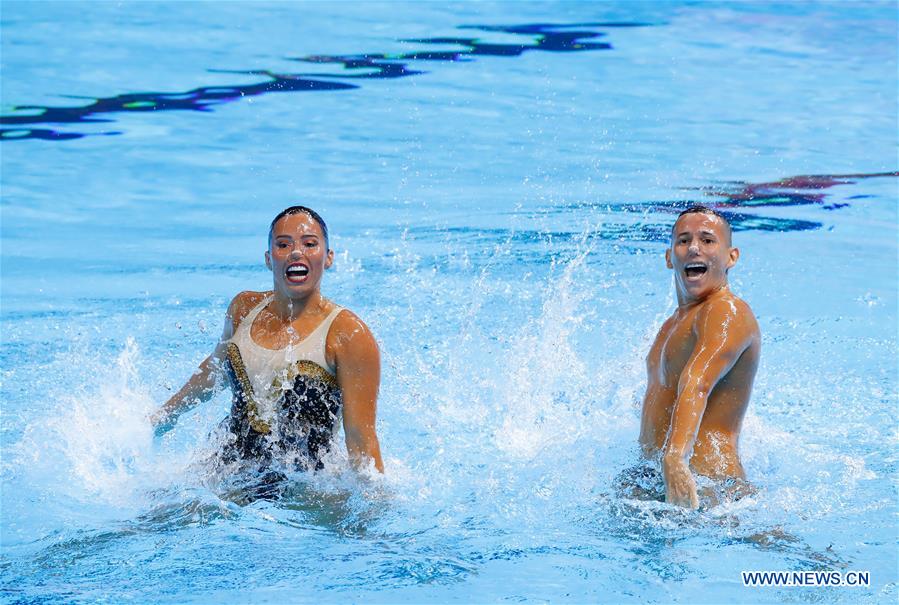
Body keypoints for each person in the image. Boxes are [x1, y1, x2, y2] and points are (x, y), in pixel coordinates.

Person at [150, 206, 384, 475]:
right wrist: (164, 416)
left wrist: (376, 504)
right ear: (269, 258)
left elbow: (360, 438)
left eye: (310, 243)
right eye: (283, 244)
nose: (297, 252)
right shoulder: (243, 308)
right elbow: (215, 371)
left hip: (303, 484)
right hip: (229, 466)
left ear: (328, 257)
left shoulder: (348, 335)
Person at [633, 206, 760, 509]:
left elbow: (697, 384)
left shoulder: (726, 311)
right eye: (684, 240)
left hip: (711, 487)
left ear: (732, 256)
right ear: (669, 257)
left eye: (707, 240)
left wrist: (675, 458)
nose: (693, 248)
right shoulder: (673, 324)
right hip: (661, 478)